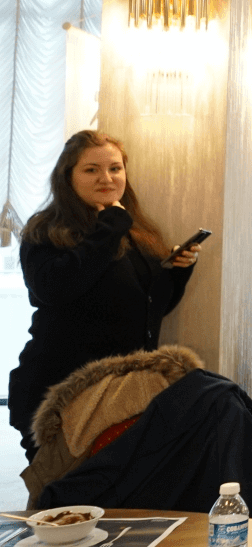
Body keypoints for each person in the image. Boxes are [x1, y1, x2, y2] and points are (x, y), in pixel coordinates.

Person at [8, 130, 201, 462]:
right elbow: (54, 289)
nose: (106, 178)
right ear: (67, 176)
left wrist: (178, 272)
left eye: (115, 168)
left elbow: (149, 312)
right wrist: (109, 226)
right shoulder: (45, 231)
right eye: (91, 170)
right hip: (59, 392)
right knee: (68, 487)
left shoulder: (137, 232)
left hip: (123, 394)